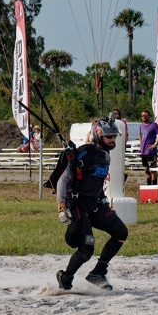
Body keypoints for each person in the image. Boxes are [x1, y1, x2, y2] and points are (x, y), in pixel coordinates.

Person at [55, 119, 128, 291]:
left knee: (120, 232)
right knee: (87, 247)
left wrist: (105, 204)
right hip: (80, 206)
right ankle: (66, 276)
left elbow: (97, 184)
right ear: (98, 135)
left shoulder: (106, 155)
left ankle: (98, 272)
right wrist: (61, 205)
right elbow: (63, 180)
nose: (113, 140)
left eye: (114, 136)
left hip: (96, 205)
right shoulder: (83, 153)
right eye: (109, 136)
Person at [138, 110, 158, 186]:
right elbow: (140, 135)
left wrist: (155, 144)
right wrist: (141, 144)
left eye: (145, 116)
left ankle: (154, 184)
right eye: (142, 116)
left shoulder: (153, 125)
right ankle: (148, 184)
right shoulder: (141, 125)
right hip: (143, 151)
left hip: (151, 151)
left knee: (152, 169)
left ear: (148, 116)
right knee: (146, 169)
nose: (144, 117)